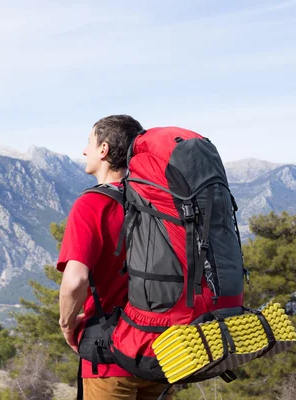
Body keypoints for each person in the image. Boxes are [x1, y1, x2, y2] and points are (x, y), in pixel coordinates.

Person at [57, 115, 173, 399]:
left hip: (109, 356)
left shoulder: (92, 204)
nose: (84, 151)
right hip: (161, 354)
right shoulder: (159, 203)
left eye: (88, 143)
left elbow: (75, 281)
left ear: (104, 149)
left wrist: (67, 325)